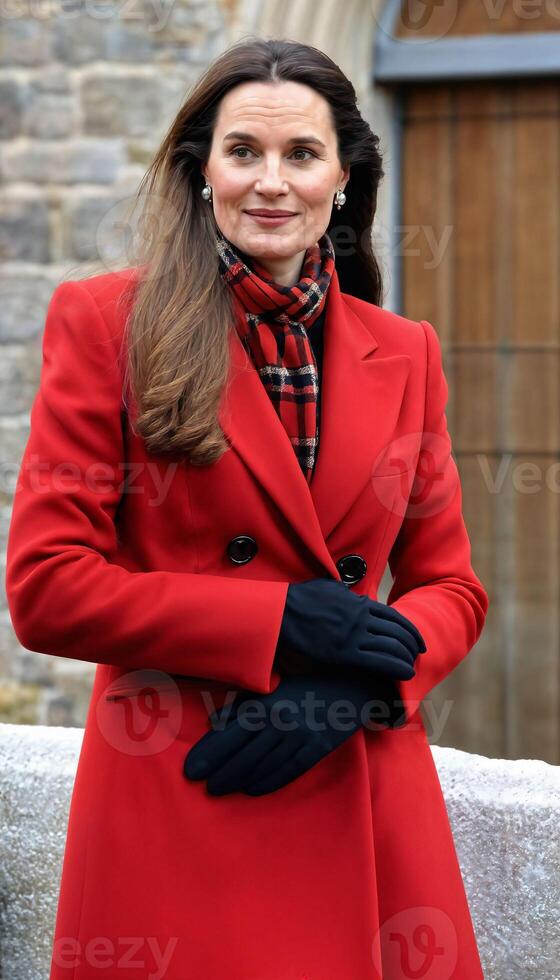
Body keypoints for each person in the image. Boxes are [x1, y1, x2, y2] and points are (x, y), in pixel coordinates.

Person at [5, 37, 489, 980]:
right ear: (202, 172)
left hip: (363, 780)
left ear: (342, 177)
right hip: (184, 790)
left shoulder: (406, 350)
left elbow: (451, 583)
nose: (272, 183)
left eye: (301, 155)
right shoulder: (107, 323)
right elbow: (47, 587)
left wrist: (369, 683)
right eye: (243, 153)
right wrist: (278, 621)